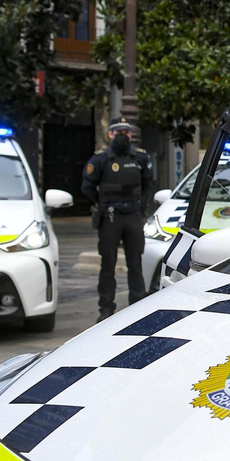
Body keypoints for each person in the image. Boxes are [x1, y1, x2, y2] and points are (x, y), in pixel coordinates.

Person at [82, 119, 154, 321]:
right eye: (118, 131)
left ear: (131, 135)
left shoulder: (139, 157)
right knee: (108, 263)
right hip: (110, 216)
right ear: (110, 134)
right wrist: (101, 204)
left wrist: (141, 206)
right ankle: (106, 309)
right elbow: (87, 186)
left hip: (133, 215)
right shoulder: (101, 159)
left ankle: (137, 306)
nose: (123, 134)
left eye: (126, 131)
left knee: (135, 263)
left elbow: (149, 183)